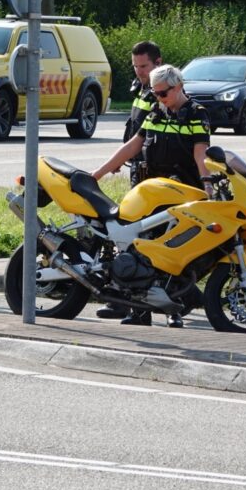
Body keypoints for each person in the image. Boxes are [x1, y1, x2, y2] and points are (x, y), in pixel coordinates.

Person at [92, 64, 212, 328]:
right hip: (150, 194)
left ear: (179, 86)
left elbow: (200, 153)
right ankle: (138, 312)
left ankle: (174, 310)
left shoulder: (196, 113)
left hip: (181, 195)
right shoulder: (157, 110)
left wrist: (208, 186)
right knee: (140, 251)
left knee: (171, 255)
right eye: (155, 93)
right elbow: (134, 145)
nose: (159, 98)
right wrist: (99, 173)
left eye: (163, 93)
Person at [95, 41, 163, 321]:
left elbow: (146, 139)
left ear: (158, 63)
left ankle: (137, 305)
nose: (139, 71)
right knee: (129, 237)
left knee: (142, 240)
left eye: (143, 66)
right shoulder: (142, 89)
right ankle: (126, 302)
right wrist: (119, 161)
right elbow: (134, 132)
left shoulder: (162, 93)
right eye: (135, 66)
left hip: (154, 177)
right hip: (139, 173)